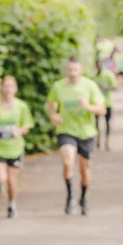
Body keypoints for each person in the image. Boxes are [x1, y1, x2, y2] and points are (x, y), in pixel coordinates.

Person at [46, 58, 107, 216]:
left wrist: (88, 107)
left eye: (75, 70)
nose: (72, 73)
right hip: (66, 130)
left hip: (86, 132)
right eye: (70, 70)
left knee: (84, 169)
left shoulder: (90, 86)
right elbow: (51, 103)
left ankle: (84, 197)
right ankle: (70, 196)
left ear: (81, 71)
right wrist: (53, 116)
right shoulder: (58, 87)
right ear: (66, 70)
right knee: (68, 161)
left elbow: (102, 110)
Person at [0, 76, 34, 218]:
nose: (8, 89)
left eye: (11, 86)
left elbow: (28, 125)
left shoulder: (21, 106)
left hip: (15, 147)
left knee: (12, 180)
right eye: (5, 86)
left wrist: (20, 131)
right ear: (1, 88)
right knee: (1, 178)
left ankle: (12, 205)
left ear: (15, 88)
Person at [93, 60, 118, 151]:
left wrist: (106, 87)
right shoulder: (94, 77)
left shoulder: (108, 75)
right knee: (96, 123)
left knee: (107, 123)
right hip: (97, 104)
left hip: (107, 103)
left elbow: (115, 87)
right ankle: (98, 141)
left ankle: (107, 142)